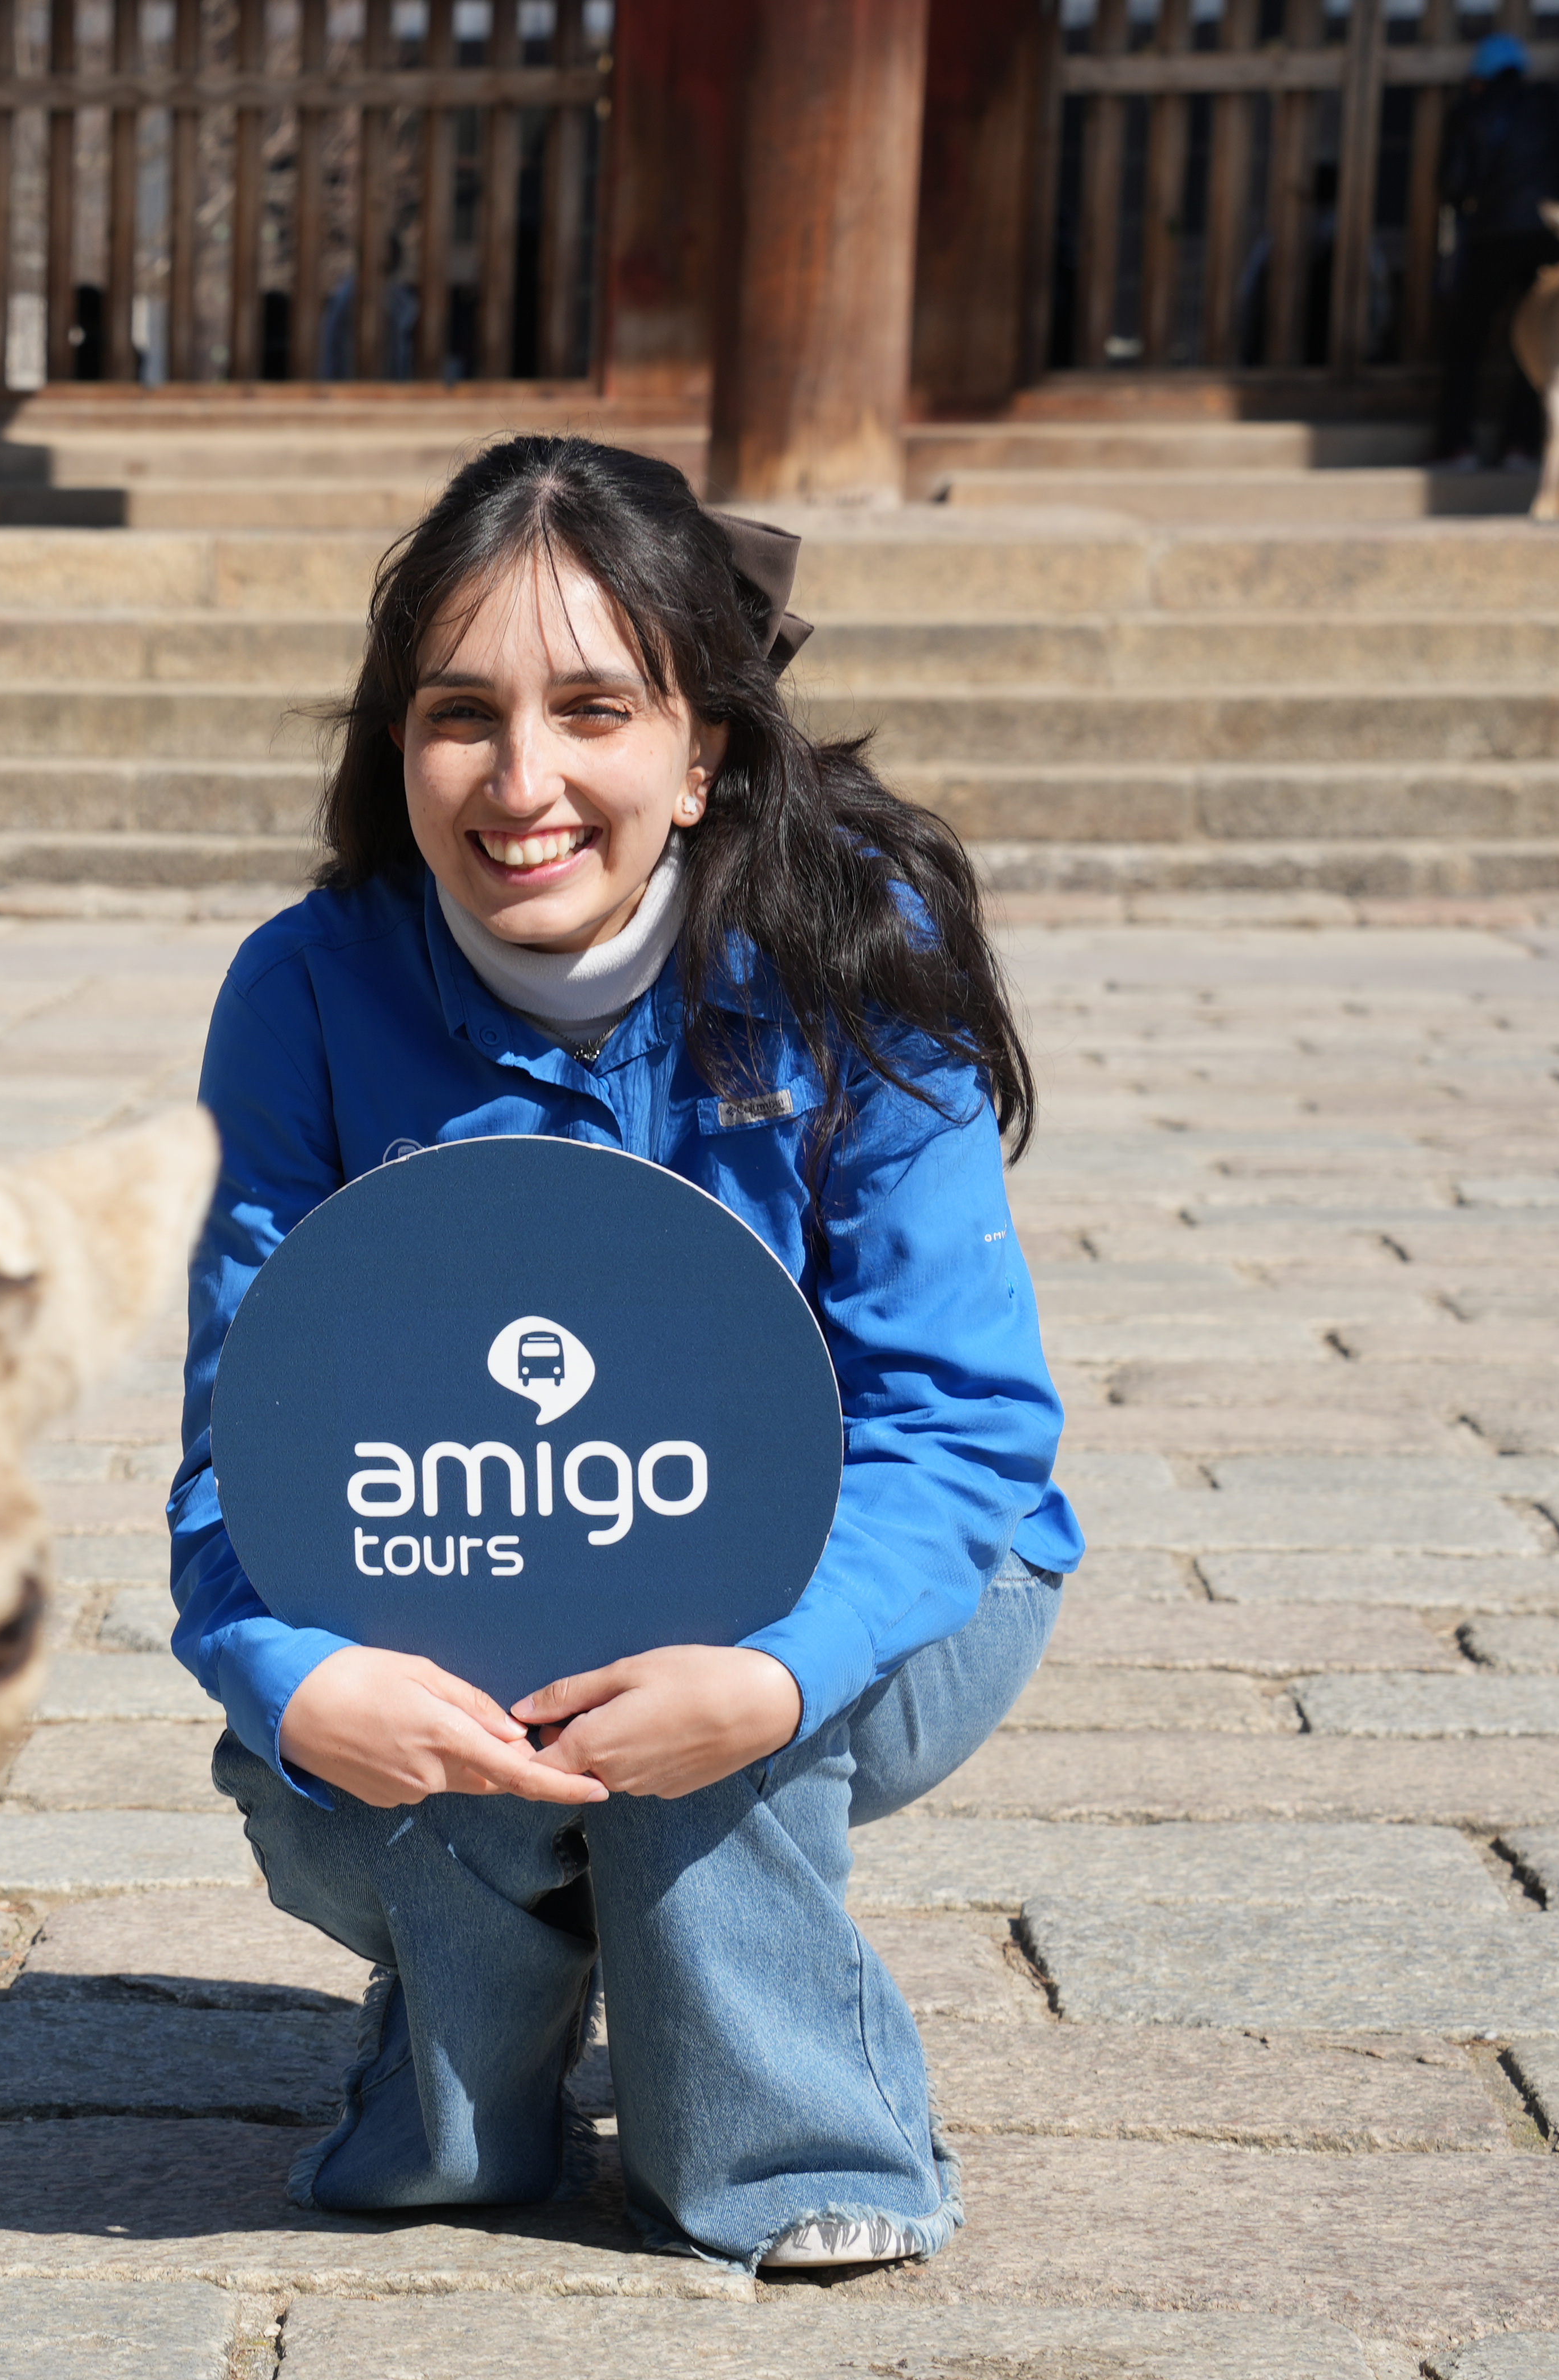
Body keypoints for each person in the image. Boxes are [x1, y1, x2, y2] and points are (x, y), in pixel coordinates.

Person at [166, 436, 1080, 2275]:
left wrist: (778, 1670)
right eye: (460, 716)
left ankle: (800, 2136)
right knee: (418, 1746)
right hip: (465, 1550)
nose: (522, 784)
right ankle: (461, 2093)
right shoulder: (303, 987)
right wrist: (293, 1676)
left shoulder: (855, 953)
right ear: (396, 744)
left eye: (592, 709)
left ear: (701, 748)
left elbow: (957, 1422)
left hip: (882, 1581)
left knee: (688, 1705)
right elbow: (241, 1441)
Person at [1436, 35, 1559, 467]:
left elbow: (1454, 183)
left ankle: (1457, 445)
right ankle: (1522, 445)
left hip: (1494, 235)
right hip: (1548, 238)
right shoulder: (1550, 106)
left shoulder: (1472, 111)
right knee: (1539, 341)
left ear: (1479, 77)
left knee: (1467, 342)